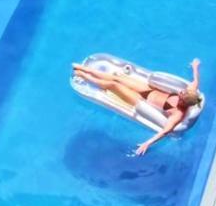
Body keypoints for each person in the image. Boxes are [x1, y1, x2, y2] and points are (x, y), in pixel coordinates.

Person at [73, 58, 202, 156]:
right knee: (117, 78)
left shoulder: (178, 114)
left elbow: (165, 131)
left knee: (113, 85)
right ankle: (86, 69)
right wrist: (195, 67)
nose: (180, 92)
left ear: (184, 103)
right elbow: (195, 81)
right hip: (148, 90)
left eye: (181, 96)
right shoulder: (190, 92)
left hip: (140, 101)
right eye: (182, 92)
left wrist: (147, 143)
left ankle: (85, 76)